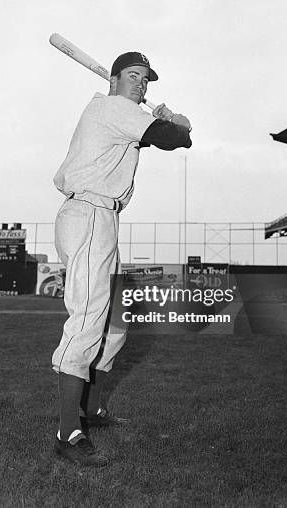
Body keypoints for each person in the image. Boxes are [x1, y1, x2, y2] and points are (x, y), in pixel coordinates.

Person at [52, 51, 192, 466]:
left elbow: (171, 134)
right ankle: (67, 433)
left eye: (146, 80)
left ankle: (91, 410)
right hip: (89, 214)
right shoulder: (113, 107)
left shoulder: (119, 111)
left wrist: (171, 121)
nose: (141, 85)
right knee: (88, 320)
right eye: (133, 76)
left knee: (113, 324)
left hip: (101, 217)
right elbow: (175, 139)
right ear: (113, 79)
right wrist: (175, 120)